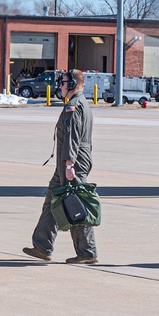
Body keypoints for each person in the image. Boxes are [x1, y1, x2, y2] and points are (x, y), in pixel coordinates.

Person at [23, 69, 98, 264]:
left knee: (74, 205)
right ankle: (42, 246)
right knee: (53, 201)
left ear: (73, 84)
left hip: (72, 162)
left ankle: (87, 251)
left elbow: (73, 137)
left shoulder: (74, 106)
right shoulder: (80, 104)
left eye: (63, 83)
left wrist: (69, 164)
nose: (60, 86)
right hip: (69, 162)